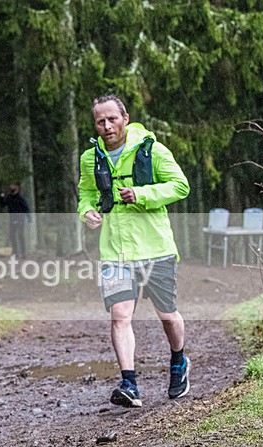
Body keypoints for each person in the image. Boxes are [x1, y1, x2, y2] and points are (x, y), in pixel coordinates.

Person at [77, 94, 191, 408]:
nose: (106, 126)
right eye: (100, 121)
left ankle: (179, 360)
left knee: (167, 316)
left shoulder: (151, 149)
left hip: (155, 247)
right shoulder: (91, 158)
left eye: (112, 119)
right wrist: (86, 212)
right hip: (115, 251)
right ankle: (129, 383)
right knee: (119, 317)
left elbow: (180, 186)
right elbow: (85, 193)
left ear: (125, 118)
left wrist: (141, 194)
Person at [0, 184, 32, 259]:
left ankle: (23, 254)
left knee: (20, 236)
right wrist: (1, 197)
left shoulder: (20, 198)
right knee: (13, 236)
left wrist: (29, 218)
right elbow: (2, 205)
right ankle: (15, 253)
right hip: (12, 218)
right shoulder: (9, 198)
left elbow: (26, 208)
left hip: (20, 218)